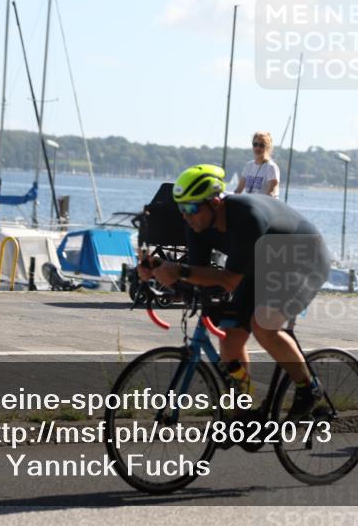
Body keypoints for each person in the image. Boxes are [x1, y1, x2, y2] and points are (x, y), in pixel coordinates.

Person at [138, 164, 329, 418]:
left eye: (192, 208)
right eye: (182, 209)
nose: (186, 216)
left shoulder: (245, 216)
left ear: (215, 202)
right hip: (262, 264)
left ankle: (309, 388)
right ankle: (242, 413)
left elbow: (228, 281)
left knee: (264, 324)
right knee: (230, 337)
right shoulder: (196, 227)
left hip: (304, 259)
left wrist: (179, 271)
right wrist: (156, 272)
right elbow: (198, 275)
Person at [235, 131, 280, 197]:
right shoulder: (248, 166)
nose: (258, 148)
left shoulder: (271, 167)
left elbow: (271, 194)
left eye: (262, 145)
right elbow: (238, 191)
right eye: (255, 144)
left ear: (267, 147)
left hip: (264, 206)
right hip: (250, 204)